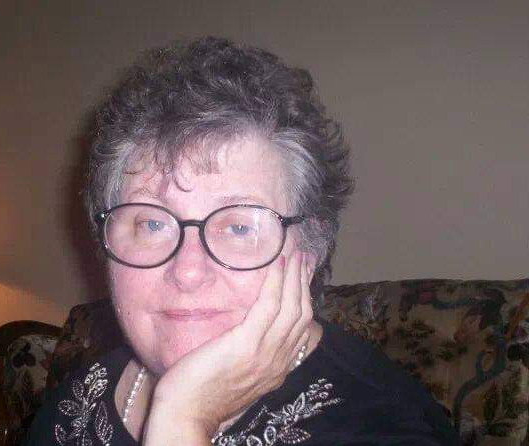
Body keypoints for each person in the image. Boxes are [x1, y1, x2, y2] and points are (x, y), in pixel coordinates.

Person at [23, 37, 460, 445]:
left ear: (310, 250)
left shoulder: (385, 426)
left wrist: (182, 418)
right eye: (152, 224)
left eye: (238, 227)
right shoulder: (76, 402)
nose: (188, 271)